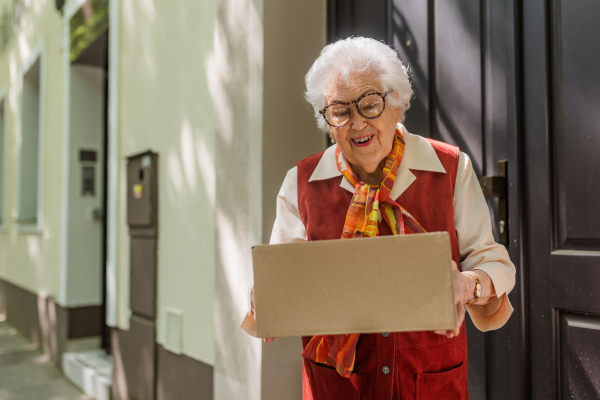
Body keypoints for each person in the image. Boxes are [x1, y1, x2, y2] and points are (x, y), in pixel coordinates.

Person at [241, 37, 515, 400]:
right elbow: (282, 280)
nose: (357, 124)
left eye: (370, 105)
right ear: (327, 120)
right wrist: (268, 298)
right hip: (337, 387)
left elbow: (495, 264)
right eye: (340, 111)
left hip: (429, 382)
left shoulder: (450, 168)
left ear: (397, 104)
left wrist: (468, 285)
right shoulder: (301, 183)